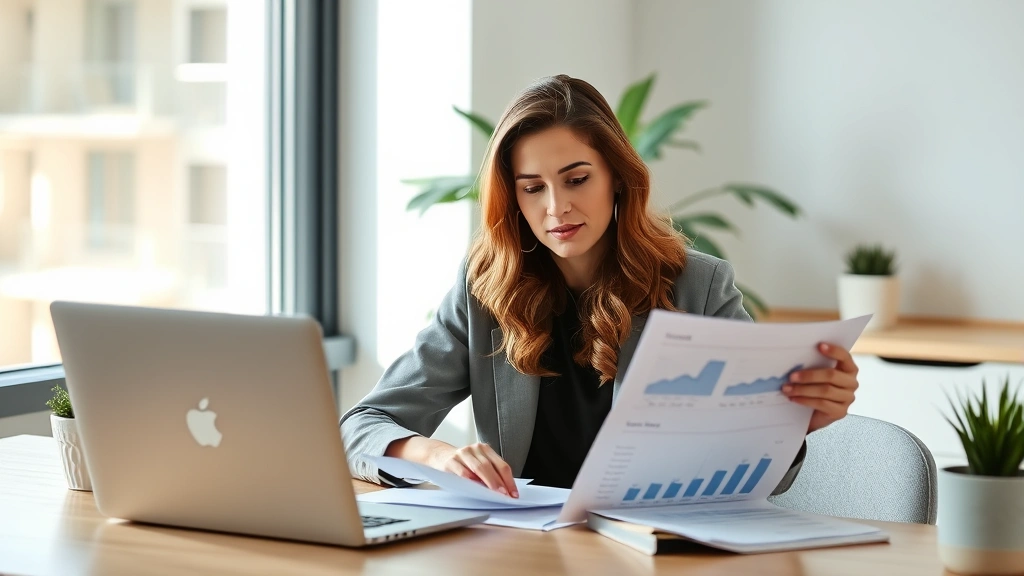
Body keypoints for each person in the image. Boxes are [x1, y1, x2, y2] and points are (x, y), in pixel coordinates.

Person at [340, 74, 860, 498]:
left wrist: (798, 421)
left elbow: (769, 477)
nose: (556, 207)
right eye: (532, 188)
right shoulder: (484, 290)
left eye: (577, 178)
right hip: (524, 550)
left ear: (616, 176)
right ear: (513, 199)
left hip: (655, 551)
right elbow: (360, 425)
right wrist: (438, 455)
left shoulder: (698, 286)